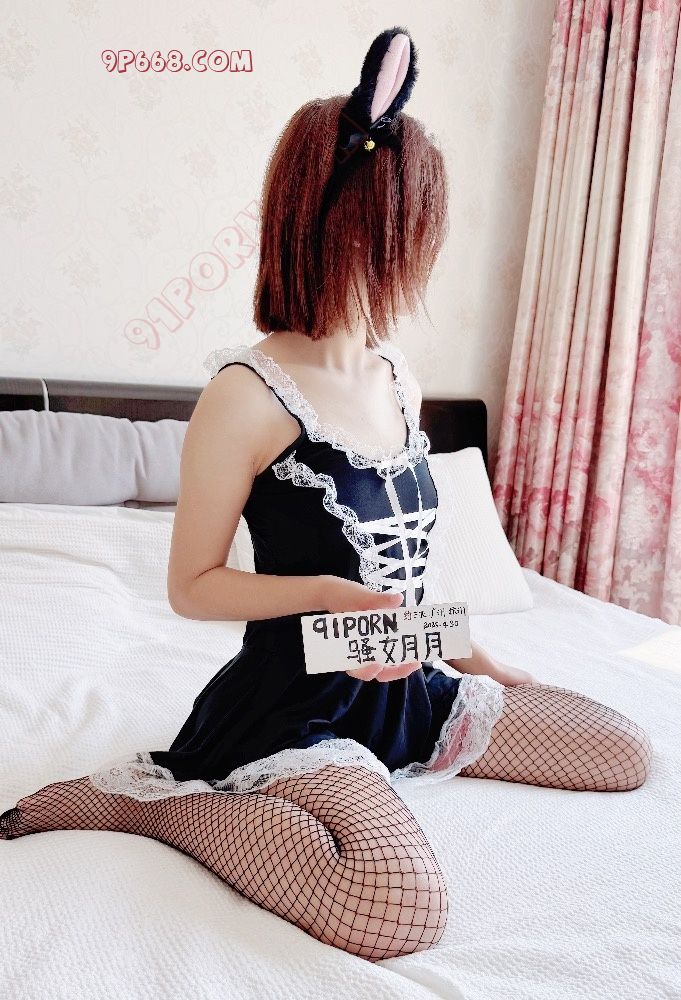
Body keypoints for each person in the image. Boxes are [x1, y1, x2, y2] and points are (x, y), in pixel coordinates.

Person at [0, 26, 652, 963]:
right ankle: (151, 806)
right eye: (415, 223)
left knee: (622, 749)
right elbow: (192, 586)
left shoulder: (397, 377)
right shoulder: (245, 394)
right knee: (395, 905)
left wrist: (478, 659)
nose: (424, 248)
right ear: (363, 225)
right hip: (295, 699)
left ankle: (388, 753)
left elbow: (407, 579)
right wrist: (326, 594)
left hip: (405, 678)